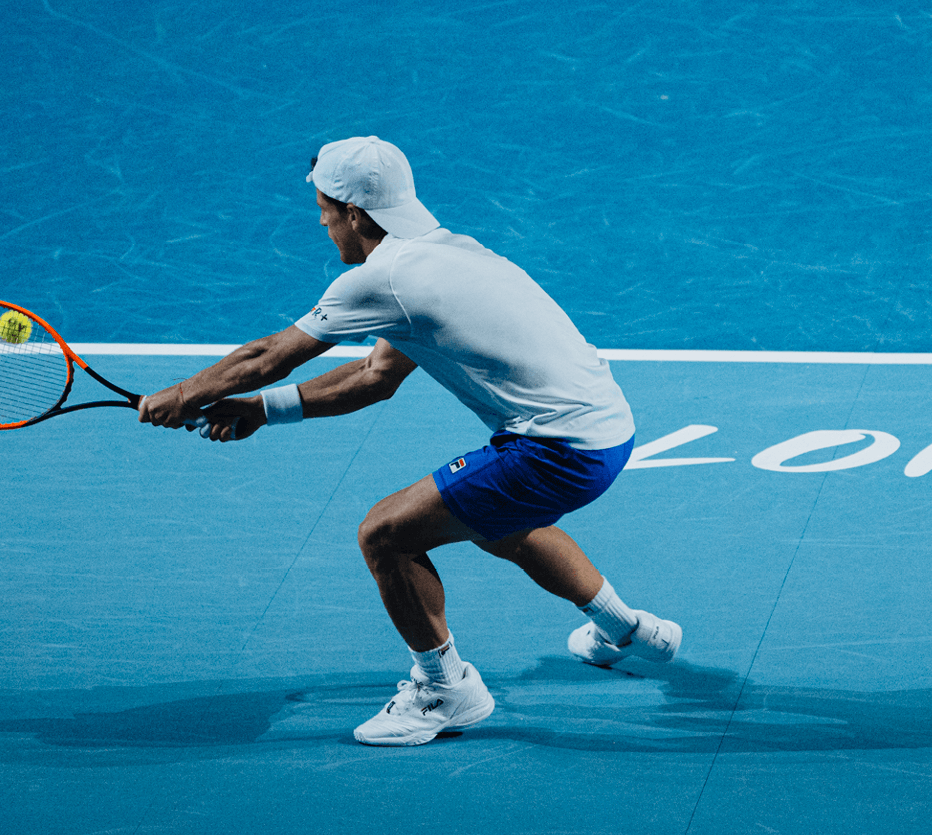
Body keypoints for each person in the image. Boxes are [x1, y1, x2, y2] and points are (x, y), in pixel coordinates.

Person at [137, 135, 680, 746]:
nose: (320, 222)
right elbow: (375, 378)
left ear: (353, 213)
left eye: (323, 208)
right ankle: (627, 631)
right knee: (501, 525)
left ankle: (446, 690)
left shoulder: (383, 278)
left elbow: (269, 355)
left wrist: (180, 395)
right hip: (607, 431)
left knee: (386, 533)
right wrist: (261, 411)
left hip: (556, 450)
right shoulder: (444, 254)